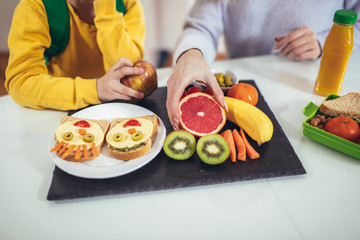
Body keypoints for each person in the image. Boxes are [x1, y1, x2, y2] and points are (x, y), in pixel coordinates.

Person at [166, 0, 360, 130]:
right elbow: (201, 27)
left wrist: (323, 41)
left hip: (312, 82)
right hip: (245, 77)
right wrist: (191, 53)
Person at [5, 0, 146, 110]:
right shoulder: (35, 7)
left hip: (117, 106)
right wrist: (95, 89)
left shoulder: (127, 3)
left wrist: (106, 10)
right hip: (60, 107)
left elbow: (128, 75)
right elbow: (21, 83)